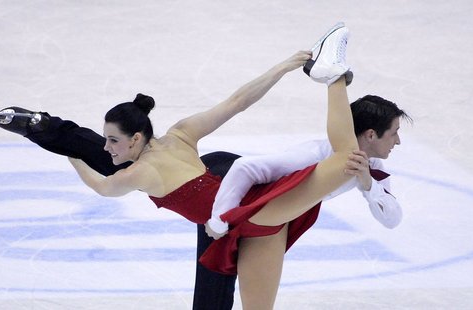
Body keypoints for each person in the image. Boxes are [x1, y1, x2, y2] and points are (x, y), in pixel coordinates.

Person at [59, 22, 362, 309]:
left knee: (341, 159)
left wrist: (71, 155)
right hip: (242, 202)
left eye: (112, 140)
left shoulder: (139, 172)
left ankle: (333, 73)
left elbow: (102, 185)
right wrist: (282, 67)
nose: (106, 147)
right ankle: (332, 75)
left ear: (136, 138)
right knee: (337, 163)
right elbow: (237, 102)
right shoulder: (180, 134)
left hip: (245, 207)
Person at [206, 94, 411, 239]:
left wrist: (369, 185)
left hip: (263, 208)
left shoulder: (372, 165)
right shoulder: (312, 157)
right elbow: (244, 168)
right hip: (222, 184)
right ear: (371, 135)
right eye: (394, 133)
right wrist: (219, 218)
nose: (398, 141)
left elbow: (392, 219)